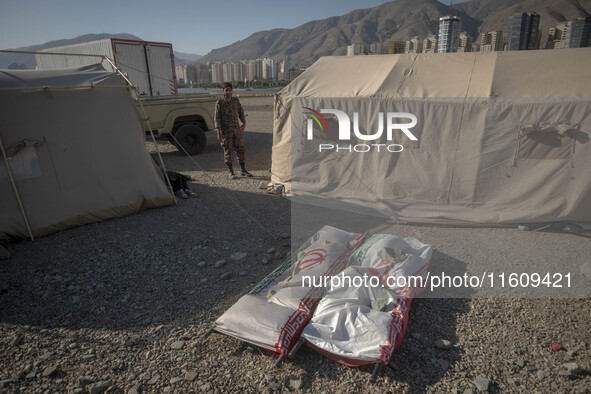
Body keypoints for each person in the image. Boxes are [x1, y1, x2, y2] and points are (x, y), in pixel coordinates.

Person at [215, 82, 253, 179]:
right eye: (226, 90)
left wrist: (244, 123)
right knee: (228, 151)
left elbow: (241, 112)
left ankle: (243, 170)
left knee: (241, 149)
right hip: (226, 132)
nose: (228, 92)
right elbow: (217, 119)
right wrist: (218, 133)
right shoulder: (220, 103)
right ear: (223, 91)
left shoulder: (235, 101)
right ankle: (231, 172)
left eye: (230, 90)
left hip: (237, 130)